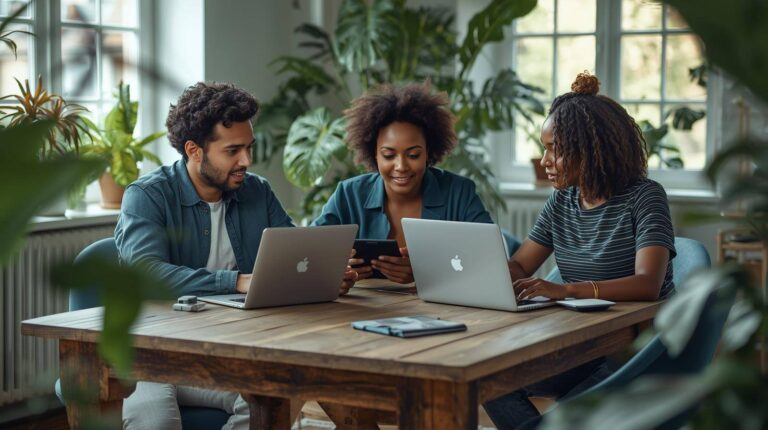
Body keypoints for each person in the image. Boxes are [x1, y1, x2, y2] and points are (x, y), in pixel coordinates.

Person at [114, 82, 354, 429]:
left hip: (224, 355)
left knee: (273, 402)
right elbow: (146, 275)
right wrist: (237, 281)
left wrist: (325, 277)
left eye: (249, 148)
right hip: (151, 357)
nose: (247, 161)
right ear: (194, 150)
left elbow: (293, 257)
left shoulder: (256, 191)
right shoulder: (147, 196)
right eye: (233, 151)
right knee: (155, 423)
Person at [483, 72, 676, 429]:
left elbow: (647, 283)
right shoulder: (562, 200)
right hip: (578, 343)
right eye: (544, 148)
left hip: (634, 348)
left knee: (565, 420)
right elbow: (521, 265)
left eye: (555, 149)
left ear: (590, 148)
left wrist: (566, 289)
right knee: (487, 382)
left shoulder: (644, 197)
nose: (545, 160)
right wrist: (481, 276)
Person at [313, 82, 494, 288]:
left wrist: (424, 273)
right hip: (364, 311)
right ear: (374, 154)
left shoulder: (458, 192)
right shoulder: (349, 194)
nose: (401, 166)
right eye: (389, 155)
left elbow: (490, 260)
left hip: (437, 313)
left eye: (413, 154)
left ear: (428, 152)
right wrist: (335, 273)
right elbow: (309, 255)